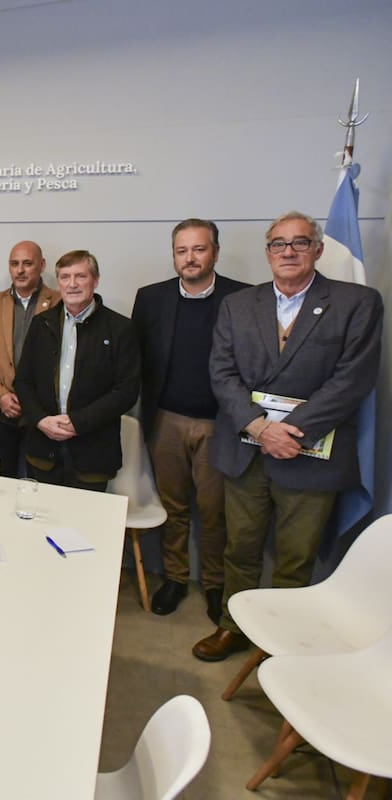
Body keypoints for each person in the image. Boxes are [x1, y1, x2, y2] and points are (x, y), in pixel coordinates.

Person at [193, 211, 383, 662]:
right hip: (247, 450)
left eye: (300, 242)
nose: (289, 252)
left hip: (309, 451)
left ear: (318, 249)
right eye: (278, 243)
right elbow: (222, 373)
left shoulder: (356, 303)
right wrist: (261, 428)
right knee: (241, 547)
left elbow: (352, 380)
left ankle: (279, 643)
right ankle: (234, 626)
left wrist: (291, 433)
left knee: (296, 556)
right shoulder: (239, 305)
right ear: (268, 252)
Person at [132, 219, 249, 621]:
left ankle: (215, 585)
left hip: (221, 425)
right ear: (174, 256)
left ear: (215, 252)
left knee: (215, 512)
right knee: (174, 508)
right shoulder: (151, 298)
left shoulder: (243, 298)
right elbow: (138, 359)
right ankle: (176, 578)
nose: (190, 258)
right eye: (182, 251)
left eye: (199, 249)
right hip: (166, 420)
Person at [14, 250, 140, 491]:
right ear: (58, 282)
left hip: (93, 454)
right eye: (65, 277)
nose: (72, 284)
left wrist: (78, 422)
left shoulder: (120, 329)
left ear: (96, 280)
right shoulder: (42, 324)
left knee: (86, 516)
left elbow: (126, 391)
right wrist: (40, 420)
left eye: (80, 276)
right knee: (41, 514)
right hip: (43, 449)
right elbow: (23, 381)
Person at [0, 241, 61, 477]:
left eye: (27, 263)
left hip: (42, 412)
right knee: (2, 480)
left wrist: (31, 401)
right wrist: (1, 395)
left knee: (39, 481)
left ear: (41, 265)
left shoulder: (59, 302)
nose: (20, 270)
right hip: (2, 411)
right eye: (14, 264)